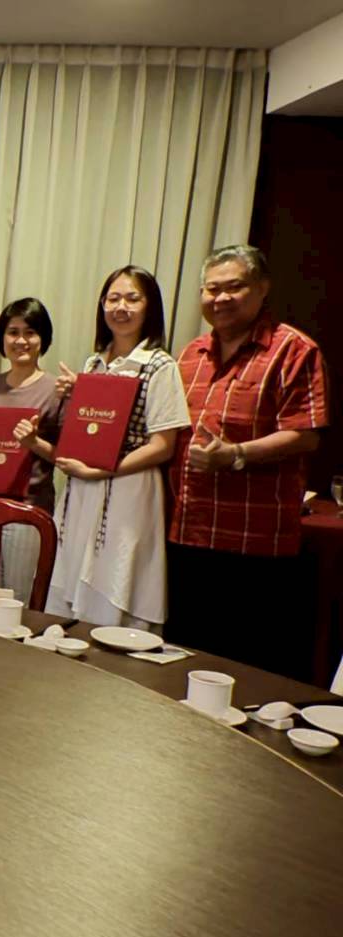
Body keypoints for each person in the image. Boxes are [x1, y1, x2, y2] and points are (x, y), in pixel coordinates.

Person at [167, 244, 329, 675]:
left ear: (262, 289)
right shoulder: (190, 354)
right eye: (211, 289)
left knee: (244, 669)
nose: (220, 298)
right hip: (187, 533)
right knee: (185, 660)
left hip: (253, 543)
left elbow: (306, 434)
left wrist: (235, 454)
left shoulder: (294, 349)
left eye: (233, 287)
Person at [39, 266, 189, 628]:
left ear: (150, 307)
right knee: (72, 575)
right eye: (113, 298)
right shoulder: (94, 362)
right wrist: (73, 396)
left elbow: (163, 445)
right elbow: (89, 429)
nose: (121, 307)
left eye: (132, 298)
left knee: (116, 576)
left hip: (128, 486)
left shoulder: (160, 365)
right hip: (84, 486)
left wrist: (104, 470)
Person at [0, 298, 62, 599]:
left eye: (30, 332)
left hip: (29, 510)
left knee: (17, 600)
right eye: (13, 332)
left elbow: (66, 458)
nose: (21, 341)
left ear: (43, 338)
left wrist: (33, 443)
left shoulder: (56, 390)